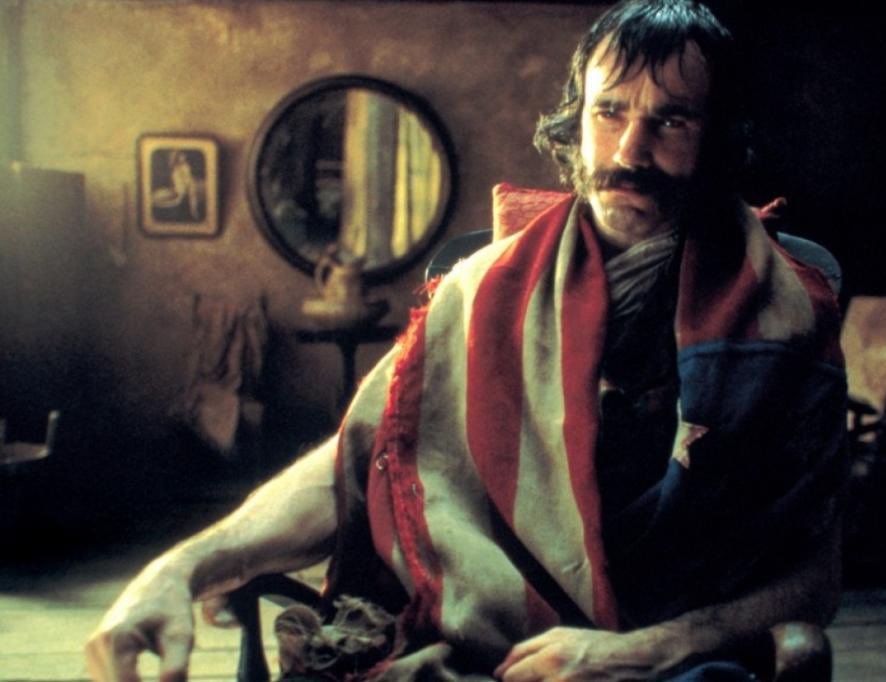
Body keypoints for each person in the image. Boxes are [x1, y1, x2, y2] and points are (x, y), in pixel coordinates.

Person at [86, 1, 847, 680]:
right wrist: (179, 568)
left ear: (720, 138)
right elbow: (367, 462)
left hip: (674, 653)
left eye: (671, 121)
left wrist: (645, 651)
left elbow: (813, 575)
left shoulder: (782, 311)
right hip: (490, 644)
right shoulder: (484, 288)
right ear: (577, 120)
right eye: (608, 112)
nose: (627, 153)